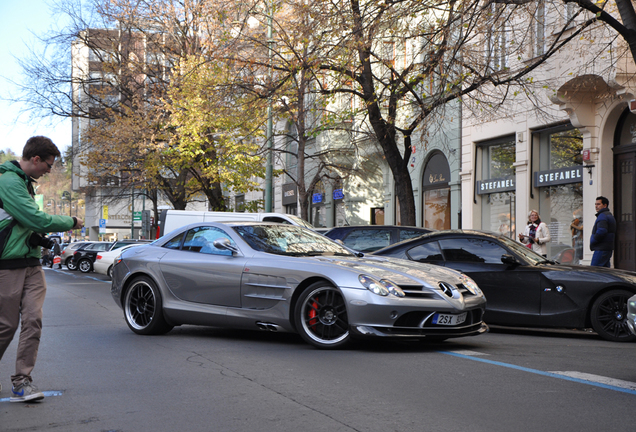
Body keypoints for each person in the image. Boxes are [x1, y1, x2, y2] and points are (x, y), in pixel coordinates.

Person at [0, 136, 84, 403]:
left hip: (32, 263)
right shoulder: (8, 181)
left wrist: (40, 240)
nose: (50, 170)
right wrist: (71, 221)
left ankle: (22, 382)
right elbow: (33, 217)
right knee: (7, 326)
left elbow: (24, 226)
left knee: (33, 320)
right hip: (8, 265)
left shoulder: (25, 184)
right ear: (35, 159)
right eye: (48, 164)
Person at [590, 196, 616, 267]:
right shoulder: (608, 215)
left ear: (605, 205)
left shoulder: (602, 216)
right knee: (605, 273)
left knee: (594, 271)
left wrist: (593, 240)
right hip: (607, 248)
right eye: (595, 204)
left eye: (598, 204)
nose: (596, 206)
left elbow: (602, 231)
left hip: (601, 248)